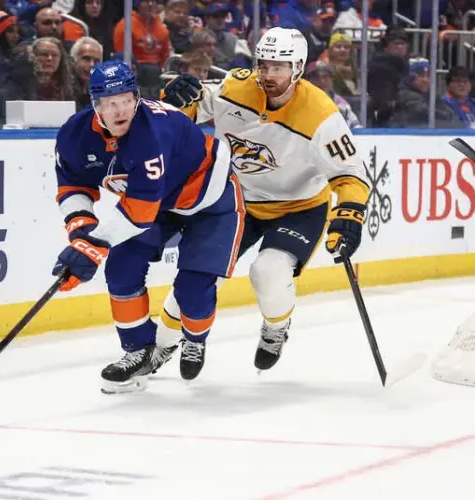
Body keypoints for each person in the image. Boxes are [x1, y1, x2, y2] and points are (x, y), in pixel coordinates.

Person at [161, 27, 370, 371]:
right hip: (236, 203)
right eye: (264, 65)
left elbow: (350, 173)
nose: (268, 74)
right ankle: (161, 344)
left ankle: (275, 328)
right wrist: (175, 99)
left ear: (298, 68)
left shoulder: (321, 114)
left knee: (269, 270)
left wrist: (349, 214)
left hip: (298, 207)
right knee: (197, 275)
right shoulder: (236, 87)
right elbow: (187, 110)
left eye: (279, 67)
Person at [52, 60, 245, 393]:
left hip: (210, 198)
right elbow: (73, 186)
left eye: (126, 100)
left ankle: (195, 338)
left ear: (137, 98)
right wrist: (81, 233)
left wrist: (92, 245)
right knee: (121, 267)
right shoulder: (74, 135)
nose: (120, 110)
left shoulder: (152, 132)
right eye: (110, 103)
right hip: (159, 203)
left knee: (192, 290)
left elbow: (140, 212)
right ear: (95, 105)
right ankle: (138, 351)